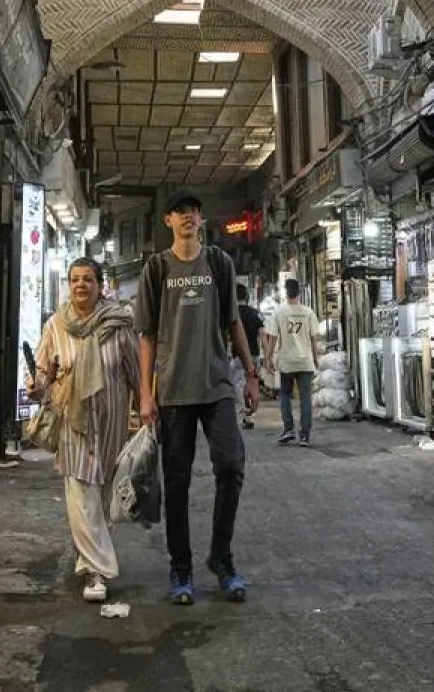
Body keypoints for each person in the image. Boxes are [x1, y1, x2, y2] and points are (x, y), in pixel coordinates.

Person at [135, 189, 260, 605]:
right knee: (178, 481)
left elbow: (234, 322)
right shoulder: (157, 268)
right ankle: (181, 566)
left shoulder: (219, 264)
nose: (190, 218)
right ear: (168, 221)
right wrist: (145, 395)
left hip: (216, 384)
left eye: (195, 212)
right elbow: (147, 337)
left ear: (201, 221)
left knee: (231, 464)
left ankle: (221, 558)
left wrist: (252, 375)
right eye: (181, 212)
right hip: (172, 391)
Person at [28, 258, 139, 604]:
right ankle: (96, 570)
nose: (80, 285)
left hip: (110, 421)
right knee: (81, 492)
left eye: (87, 279)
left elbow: (135, 370)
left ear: (99, 284)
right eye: (75, 279)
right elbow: (43, 371)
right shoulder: (56, 326)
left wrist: (146, 407)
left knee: (102, 494)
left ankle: (88, 553)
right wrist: (36, 386)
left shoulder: (118, 324)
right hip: (72, 422)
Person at [262, 278, 321, 446]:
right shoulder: (308, 312)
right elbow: (313, 339)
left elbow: (272, 338)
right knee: (305, 397)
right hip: (305, 361)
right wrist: (316, 360)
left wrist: (268, 358)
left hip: (286, 361)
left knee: (285, 394)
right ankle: (305, 435)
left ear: (286, 293)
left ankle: (288, 428)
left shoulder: (279, 312)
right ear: (299, 293)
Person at [232, 283, 266, 429]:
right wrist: (266, 355)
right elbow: (263, 335)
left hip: (237, 356)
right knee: (251, 385)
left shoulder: (232, 314)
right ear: (246, 296)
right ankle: (250, 416)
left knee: (238, 385)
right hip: (254, 355)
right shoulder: (254, 313)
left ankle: (241, 415)